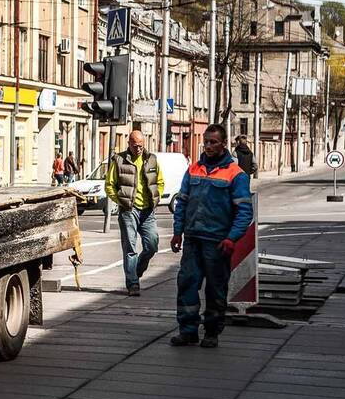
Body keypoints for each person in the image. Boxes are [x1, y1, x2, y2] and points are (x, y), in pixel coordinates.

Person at [170, 124, 253, 348]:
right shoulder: (194, 169)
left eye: (213, 142)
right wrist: (178, 231)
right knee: (187, 284)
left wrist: (231, 238)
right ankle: (187, 331)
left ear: (223, 144)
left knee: (215, 289)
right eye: (206, 141)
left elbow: (244, 212)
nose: (208, 146)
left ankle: (211, 332)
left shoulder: (236, 174)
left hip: (217, 243)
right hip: (193, 240)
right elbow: (182, 203)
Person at [105, 130, 164, 297]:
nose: (138, 149)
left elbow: (159, 181)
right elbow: (109, 185)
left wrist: (156, 197)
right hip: (128, 211)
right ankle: (132, 284)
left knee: (152, 245)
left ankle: (137, 268)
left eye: (141, 146)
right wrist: (120, 200)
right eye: (135, 145)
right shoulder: (119, 160)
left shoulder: (151, 159)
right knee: (130, 247)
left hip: (148, 210)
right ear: (129, 143)